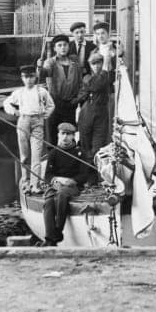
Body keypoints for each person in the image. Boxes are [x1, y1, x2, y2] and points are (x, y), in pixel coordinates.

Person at [3, 64, 54, 194]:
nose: (29, 80)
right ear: (22, 78)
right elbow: (6, 103)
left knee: (36, 155)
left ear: (35, 77)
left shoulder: (41, 91)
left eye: (31, 77)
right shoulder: (19, 92)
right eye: (25, 77)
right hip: (23, 122)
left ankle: (35, 184)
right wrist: (14, 112)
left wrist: (45, 115)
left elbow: (51, 105)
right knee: (25, 155)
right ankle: (25, 182)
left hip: (37, 122)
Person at [42, 122, 89, 246]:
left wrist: (73, 181)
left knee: (62, 194)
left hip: (73, 187)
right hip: (57, 185)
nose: (65, 137)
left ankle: (58, 230)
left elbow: (84, 175)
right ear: (58, 135)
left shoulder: (80, 153)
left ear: (74, 136)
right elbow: (48, 175)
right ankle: (49, 239)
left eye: (68, 134)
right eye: (63, 134)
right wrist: (56, 180)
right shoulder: (54, 153)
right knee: (48, 203)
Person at [77, 50, 112, 184]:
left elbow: (105, 80)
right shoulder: (87, 78)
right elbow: (97, 85)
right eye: (93, 63)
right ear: (89, 65)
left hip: (101, 114)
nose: (96, 66)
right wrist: (105, 66)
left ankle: (98, 177)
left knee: (98, 147)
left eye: (99, 63)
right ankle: (88, 178)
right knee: (85, 147)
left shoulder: (107, 76)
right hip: (87, 113)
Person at [39, 34, 82, 140]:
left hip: (71, 104)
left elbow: (80, 82)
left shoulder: (75, 62)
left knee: (69, 132)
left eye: (65, 45)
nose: (63, 47)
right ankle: (52, 154)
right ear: (54, 48)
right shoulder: (50, 62)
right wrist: (39, 67)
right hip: (54, 103)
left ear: (68, 46)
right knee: (52, 133)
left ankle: (68, 154)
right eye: (59, 45)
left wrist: (77, 99)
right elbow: (43, 74)